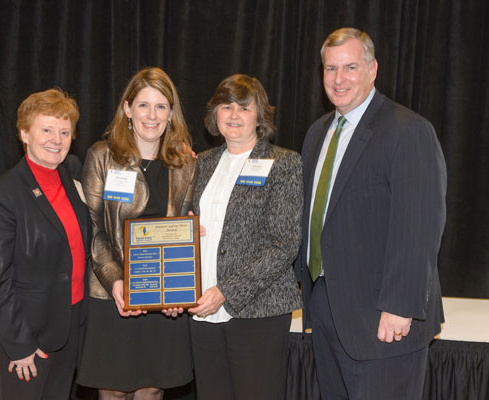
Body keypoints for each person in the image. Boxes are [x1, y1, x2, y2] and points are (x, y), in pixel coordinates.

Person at [295, 27, 447, 399]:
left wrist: (400, 306)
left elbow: (420, 226)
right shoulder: (318, 133)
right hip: (328, 310)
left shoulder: (408, 130)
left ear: (372, 69)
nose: (339, 79)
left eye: (350, 67)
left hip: (385, 318)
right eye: (330, 69)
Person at [76, 67, 196, 400]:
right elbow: (94, 230)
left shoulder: (186, 163)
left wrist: (176, 292)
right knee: (112, 391)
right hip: (111, 292)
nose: (152, 115)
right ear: (127, 109)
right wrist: (116, 281)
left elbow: (185, 230)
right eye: (143, 105)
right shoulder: (102, 156)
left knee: (152, 389)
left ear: (171, 114)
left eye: (161, 106)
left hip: (161, 294)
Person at [188, 74, 303, 399]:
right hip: (203, 310)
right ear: (215, 114)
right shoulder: (204, 163)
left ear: (259, 115)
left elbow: (284, 245)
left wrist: (226, 291)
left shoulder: (284, 163)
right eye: (226, 106)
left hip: (258, 311)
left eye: (244, 107)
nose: (234, 115)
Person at [0, 88, 91, 400]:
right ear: (24, 133)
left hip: (68, 326)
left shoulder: (72, 172)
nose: (56, 139)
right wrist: (20, 345)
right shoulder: (3, 195)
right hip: (27, 335)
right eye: (46, 130)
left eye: (64, 131)